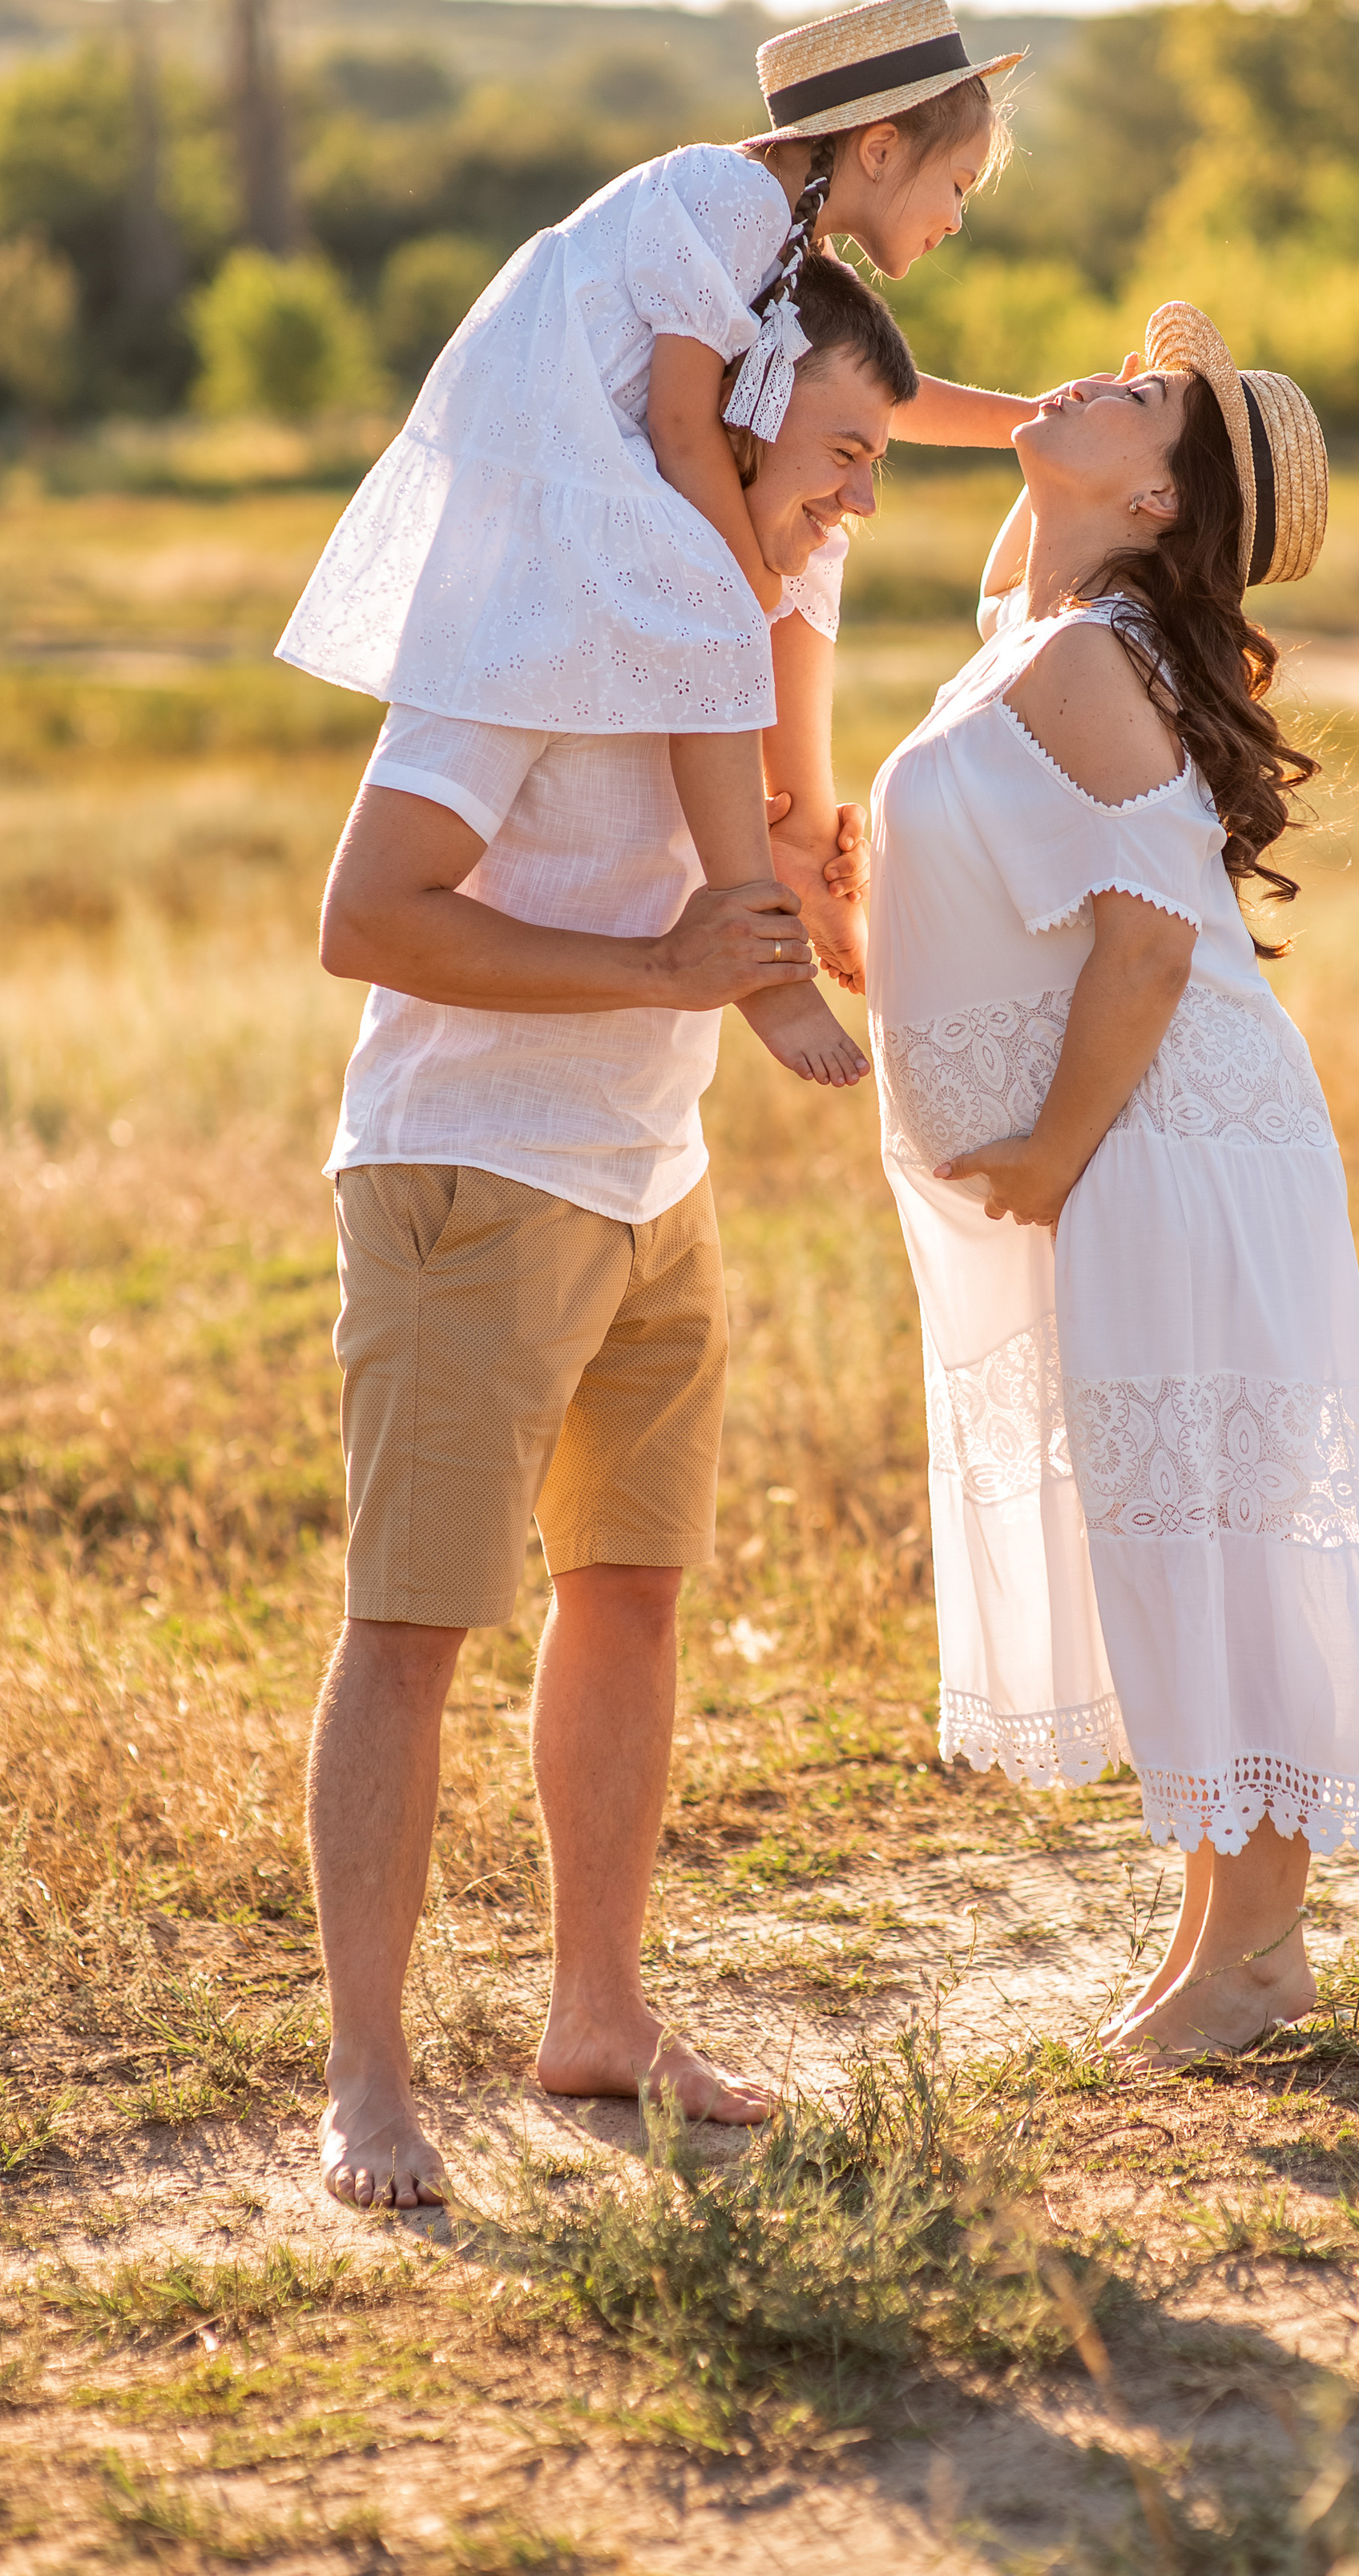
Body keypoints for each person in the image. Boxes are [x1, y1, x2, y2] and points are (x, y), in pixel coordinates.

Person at [300, 256, 917, 2211]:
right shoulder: (535, 616)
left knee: (628, 1597)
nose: (856, 498)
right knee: (412, 1631)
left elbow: (756, 909)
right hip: (474, 1174)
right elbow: (369, 914)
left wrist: (829, 895)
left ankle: (596, 2014)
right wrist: (654, 964)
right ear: (723, 413)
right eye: (836, 449)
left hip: (655, 1177)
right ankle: (369, 2082)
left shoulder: (736, 628)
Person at [867, 304, 1359, 2062]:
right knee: (1164, 1520)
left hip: (1161, 1138)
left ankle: (1254, 1951)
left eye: (1140, 403)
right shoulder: (1038, 632)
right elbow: (1028, 546)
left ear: (1160, 511)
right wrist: (1132, 414)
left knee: (1211, 1524)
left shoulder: (1079, 662)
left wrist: (1046, 1151)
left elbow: (1142, 948)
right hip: (1146, 1142)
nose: (1089, 382)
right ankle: (1224, 1932)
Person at [279, 0, 1034, 1072]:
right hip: (570, 474)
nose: (958, 216)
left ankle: (800, 830)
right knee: (731, 603)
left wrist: (1031, 421)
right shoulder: (732, 197)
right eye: (957, 185)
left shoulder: (780, 245)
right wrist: (739, 592)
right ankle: (765, 960)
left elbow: (863, 403)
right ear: (878, 148)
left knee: (805, 554)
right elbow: (684, 421)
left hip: (612, 471)